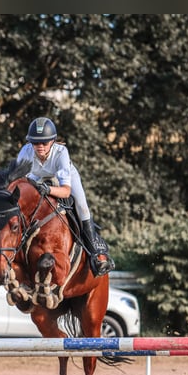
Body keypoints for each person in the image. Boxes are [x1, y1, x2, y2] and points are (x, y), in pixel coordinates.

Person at [16, 116, 114, 276]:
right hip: (36, 178)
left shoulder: (61, 153)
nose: (39, 146)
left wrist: (47, 190)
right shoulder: (26, 151)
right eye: (35, 142)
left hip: (63, 179)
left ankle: (96, 253)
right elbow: (18, 180)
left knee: (82, 205)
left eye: (44, 143)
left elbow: (65, 191)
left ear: (53, 141)